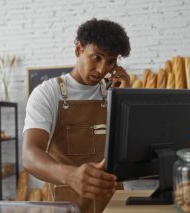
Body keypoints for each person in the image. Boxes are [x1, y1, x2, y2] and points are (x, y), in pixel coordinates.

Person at [22, 18, 131, 213]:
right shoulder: (47, 93)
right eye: (96, 57)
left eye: (111, 62)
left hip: (113, 202)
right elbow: (30, 154)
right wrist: (70, 175)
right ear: (79, 50)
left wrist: (126, 100)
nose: (102, 69)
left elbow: (130, 149)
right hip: (65, 205)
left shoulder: (115, 92)